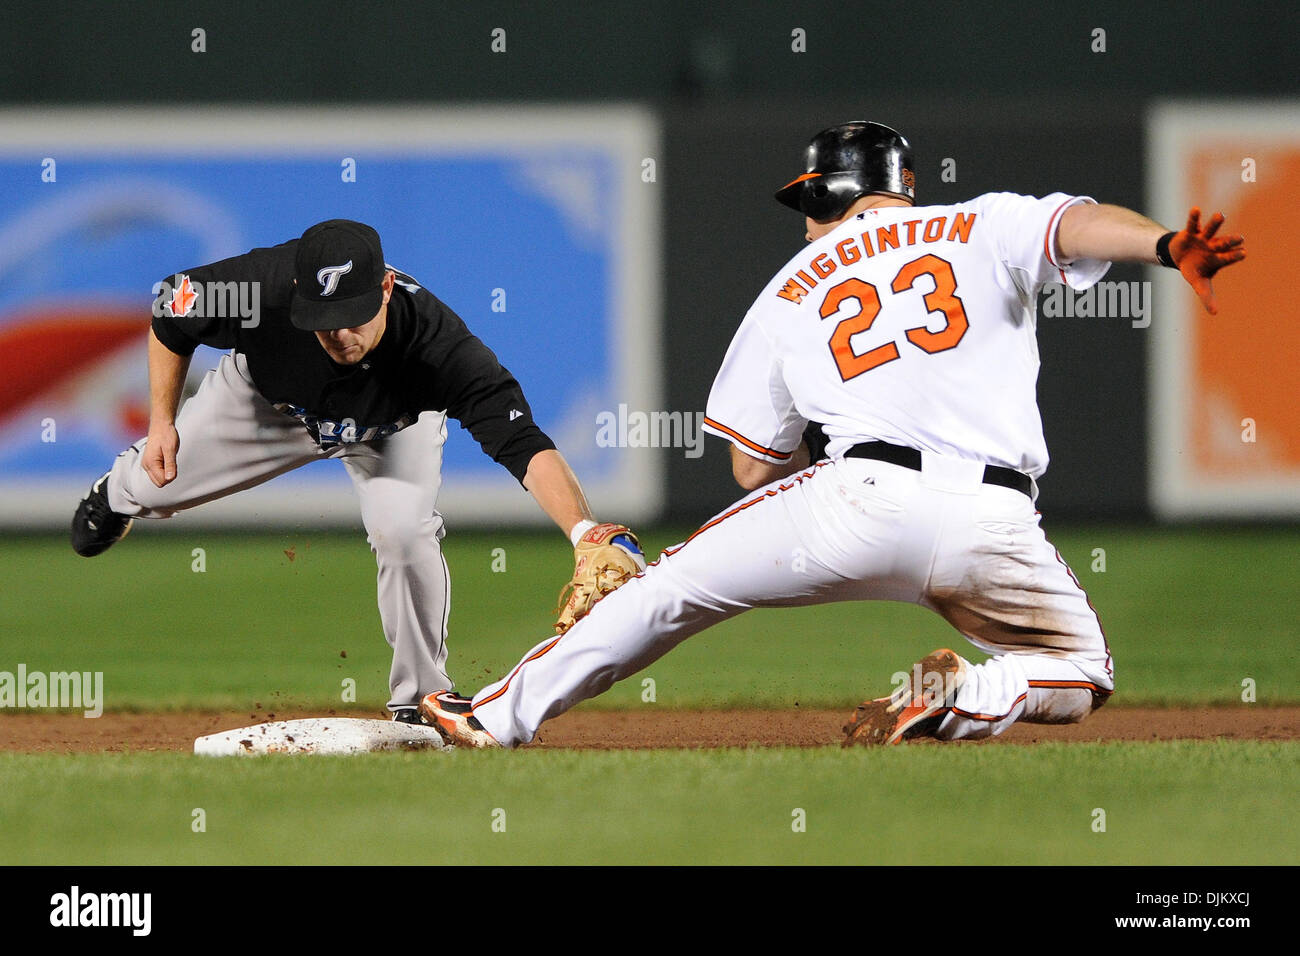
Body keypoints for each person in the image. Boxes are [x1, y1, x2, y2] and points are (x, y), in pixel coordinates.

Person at [418, 121, 1246, 748]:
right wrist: (1168, 246)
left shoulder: (790, 285)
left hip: (856, 504)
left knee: (667, 591)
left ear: (825, 196)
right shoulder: (983, 223)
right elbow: (1078, 225)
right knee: (1083, 672)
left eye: (805, 203)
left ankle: (497, 716)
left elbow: (751, 465)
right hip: (997, 519)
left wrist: (809, 446)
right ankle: (977, 696)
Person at [70, 218, 639, 722]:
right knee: (153, 482)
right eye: (323, 319)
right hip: (268, 407)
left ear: (386, 288)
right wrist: (162, 420)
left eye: (352, 315)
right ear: (297, 292)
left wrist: (584, 532)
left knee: (403, 531)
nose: (340, 333)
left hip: (389, 431)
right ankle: (116, 493)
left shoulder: (439, 346)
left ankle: (421, 699)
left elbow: (520, 441)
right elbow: (171, 307)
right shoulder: (259, 289)